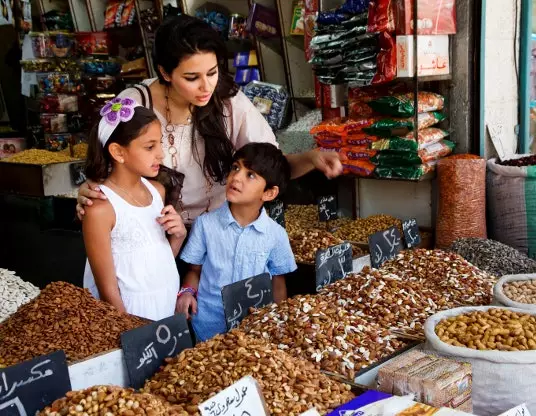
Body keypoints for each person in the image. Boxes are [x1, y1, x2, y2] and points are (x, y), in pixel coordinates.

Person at [75, 15, 342, 224]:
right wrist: (93, 190)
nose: (206, 86)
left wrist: (311, 159)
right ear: (165, 72)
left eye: (212, 72)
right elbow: (103, 173)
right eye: (192, 78)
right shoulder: (133, 105)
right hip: (156, 238)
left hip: (217, 233)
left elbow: (268, 165)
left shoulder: (227, 99)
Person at [175, 142, 297, 341]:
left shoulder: (276, 234)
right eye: (235, 167)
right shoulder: (205, 224)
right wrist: (187, 292)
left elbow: (278, 281)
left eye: (250, 175)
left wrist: (278, 320)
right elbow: (194, 270)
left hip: (255, 330)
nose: (237, 177)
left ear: (269, 193)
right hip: (208, 327)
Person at [82, 98, 187, 321]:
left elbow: (157, 258)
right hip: (129, 314)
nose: (161, 154)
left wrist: (178, 236)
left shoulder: (157, 191)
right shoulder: (100, 208)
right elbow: (107, 288)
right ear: (118, 152)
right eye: (150, 147)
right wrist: (128, 329)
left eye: (160, 144)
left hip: (164, 303)